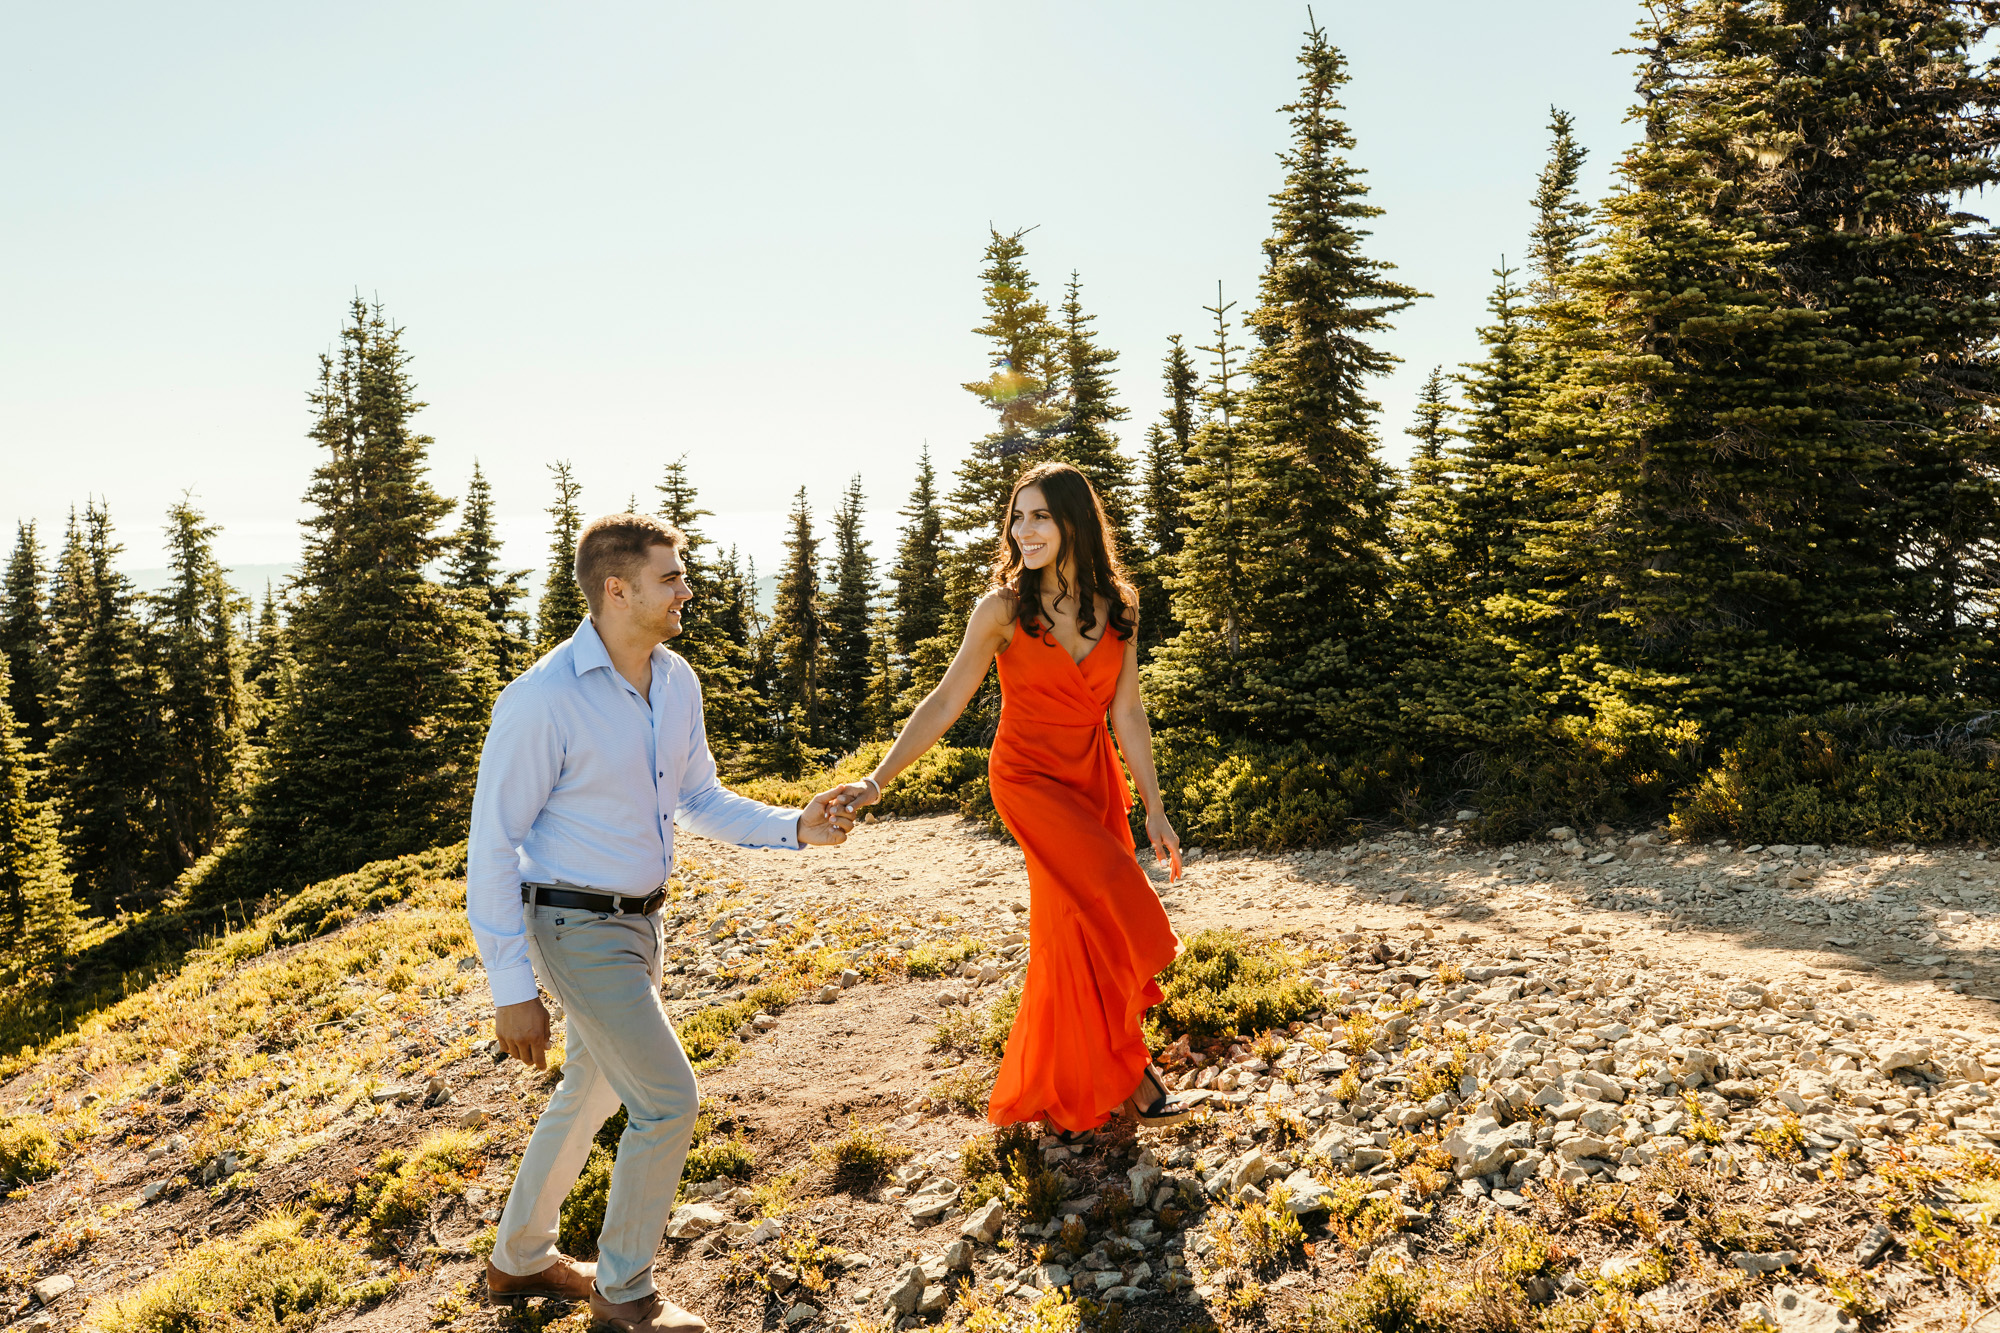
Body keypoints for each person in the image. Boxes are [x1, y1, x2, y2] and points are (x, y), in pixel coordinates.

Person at [466, 513, 854, 1333]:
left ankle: (520, 1257)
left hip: (642, 927)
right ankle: (625, 1291)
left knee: (595, 1087)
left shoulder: (675, 679)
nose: (686, 589)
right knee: (670, 1100)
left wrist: (797, 825)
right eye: (670, 577)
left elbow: (697, 797)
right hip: (573, 925)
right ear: (617, 589)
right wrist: (512, 988)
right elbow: (492, 846)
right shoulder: (540, 700)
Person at [834, 461, 1195, 1137]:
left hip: (1092, 777)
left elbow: (1129, 711)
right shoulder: (1002, 609)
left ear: (1074, 522)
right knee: (1116, 890)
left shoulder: (1120, 605)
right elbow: (945, 698)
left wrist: (1153, 806)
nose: (1024, 531)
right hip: (1028, 779)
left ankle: (1119, 1078)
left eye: (1040, 516)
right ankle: (1126, 1073)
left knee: (1071, 931)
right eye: (1017, 517)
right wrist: (877, 781)